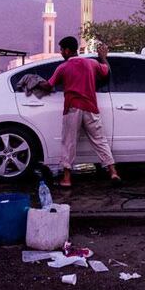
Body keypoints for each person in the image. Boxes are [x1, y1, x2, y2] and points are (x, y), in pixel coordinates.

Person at [39, 36, 121, 188]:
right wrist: (103, 58)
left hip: (73, 108)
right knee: (100, 140)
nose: (61, 52)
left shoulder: (62, 67)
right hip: (90, 107)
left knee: (69, 142)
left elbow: (49, 85)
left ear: (67, 50)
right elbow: (106, 71)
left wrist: (36, 82)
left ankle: (67, 178)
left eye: (62, 49)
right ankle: (113, 172)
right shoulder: (92, 63)